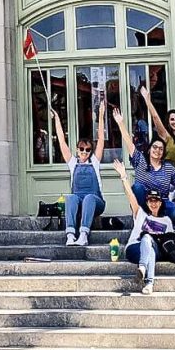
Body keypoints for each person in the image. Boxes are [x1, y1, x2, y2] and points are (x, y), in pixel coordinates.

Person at [110, 158, 174, 295]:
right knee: (146, 240)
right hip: (134, 248)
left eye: (156, 201)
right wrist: (123, 177)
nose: (154, 204)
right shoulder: (141, 214)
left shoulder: (167, 221)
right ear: (147, 202)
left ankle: (143, 270)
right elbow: (131, 196)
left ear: (161, 203)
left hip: (156, 249)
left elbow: (170, 240)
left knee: (148, 242)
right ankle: (149, 282)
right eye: (151, 201)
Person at [50, 102, 106, 246]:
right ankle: (70, 235)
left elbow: (100, 139)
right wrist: (56, 118)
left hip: (95, 202)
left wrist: (101, 114)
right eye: (81, 149)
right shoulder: (73, 163)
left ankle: (83, 234)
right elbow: (61, 140)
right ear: (77, 150)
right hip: (78, 202)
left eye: (87, 150)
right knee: (70, 198)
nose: (84, 152)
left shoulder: (94, 162)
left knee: (89, 198)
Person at [112, 105, 175, 217]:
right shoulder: (140, 160)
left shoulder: (168, 167)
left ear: (164, 153)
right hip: (143, 203)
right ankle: (143, 217)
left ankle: (157, 221)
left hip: (161, 203)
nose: (158, 150)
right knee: (137, 187)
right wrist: (120, 123)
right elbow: (129, 143)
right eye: (155, 147)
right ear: (149, 150)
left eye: (161, 149)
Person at [137, 83, 175, 170]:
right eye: (172, 119)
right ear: (168, 122)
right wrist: (147, 101)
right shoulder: (166, 136)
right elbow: (155, 117)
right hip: (170, 180)